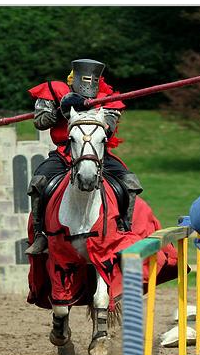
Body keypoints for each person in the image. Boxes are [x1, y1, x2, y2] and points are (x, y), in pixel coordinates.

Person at [25, 58, 143, 255]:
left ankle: (124, 228)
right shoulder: (55, 92)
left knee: (130, 183)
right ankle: (41, 235)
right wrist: (60, 108)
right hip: (65, 151)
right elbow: (40, 122)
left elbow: (110, 129)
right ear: (73, 79)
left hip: (96, 153)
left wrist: (93, 110)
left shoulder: (108, 98)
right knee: (38, 183)